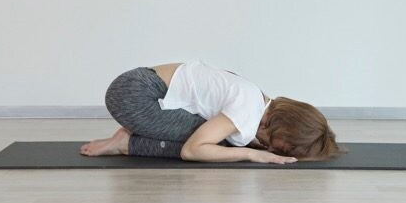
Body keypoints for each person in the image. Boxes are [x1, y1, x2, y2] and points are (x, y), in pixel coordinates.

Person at [80, 59, 347, 164]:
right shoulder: (247, 111)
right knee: (214, 145)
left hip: (136, 87)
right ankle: (126, 143)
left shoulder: (257, 99)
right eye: (286, 148)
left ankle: (128, 135)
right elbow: (191, 150)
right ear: (287, 131)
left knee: (221, 138)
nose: (279, 151)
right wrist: (252, 154)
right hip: (136, 97)